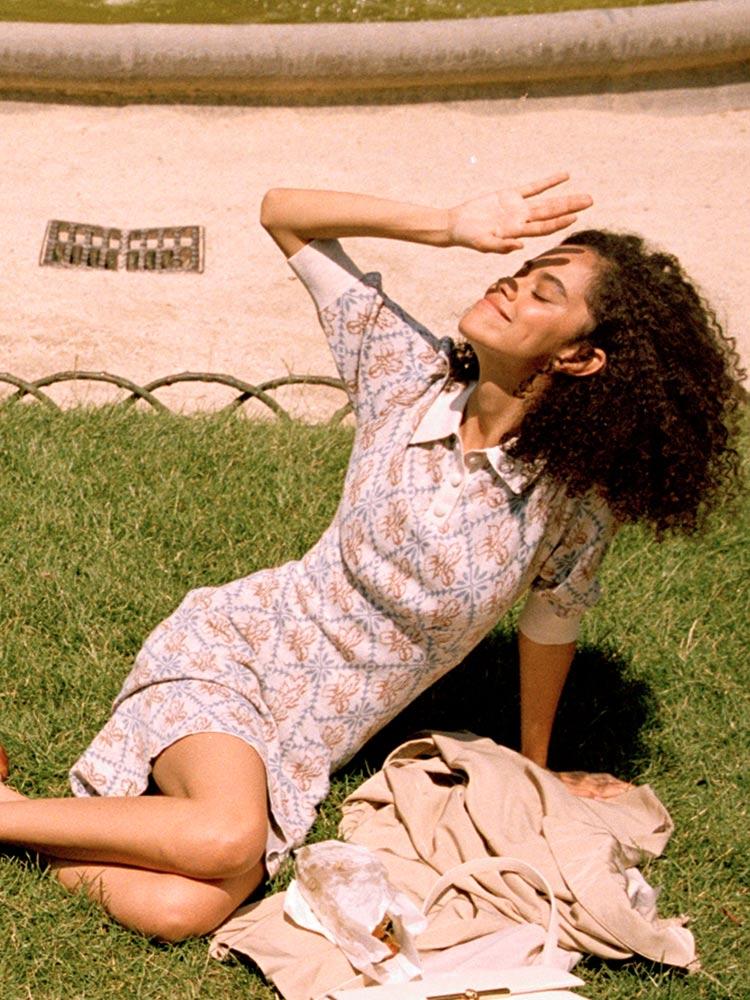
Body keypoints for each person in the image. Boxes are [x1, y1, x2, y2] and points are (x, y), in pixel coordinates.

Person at [0, 175, 741, 943]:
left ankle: (18, 814)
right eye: (520, 272)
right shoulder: (405, 375)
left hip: (312, 739)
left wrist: (536, 768)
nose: (511, 286)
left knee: (182, 909)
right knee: (226, 840)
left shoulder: (568, 501)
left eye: (542, 293)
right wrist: (447, 222)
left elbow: (553, 624)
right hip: (239, 653)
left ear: (580, 357)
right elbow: (282, 214)